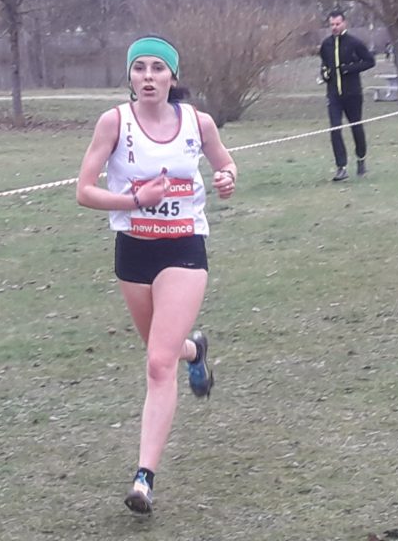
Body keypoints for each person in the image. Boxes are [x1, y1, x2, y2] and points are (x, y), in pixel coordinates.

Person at [75, 35, 238, 515]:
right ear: (129, 77)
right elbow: (84, 190)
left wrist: (228, 176)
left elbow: (224, 163)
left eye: (158, 69)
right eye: (140, 68)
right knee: (162, 350)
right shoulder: (114, 123)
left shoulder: (198, 122)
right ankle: (196, 349)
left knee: (156, 365)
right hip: (134, 252)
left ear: (172, 77)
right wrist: (134, 202)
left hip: (185, 250)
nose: (148, 77)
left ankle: (144, 478)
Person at [319, 9, 376, 181]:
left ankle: (361, 159)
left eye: (337, 24)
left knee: (356, 127)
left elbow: (369, 61)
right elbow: (323, 65)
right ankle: (341, 167)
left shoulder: (354, 43)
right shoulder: (326, 44)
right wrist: (325, 74)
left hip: (352, 94)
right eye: (332, 25)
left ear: (344, 23)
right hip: (334, 94)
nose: (334, 27)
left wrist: (348, 69)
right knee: (335, 129)